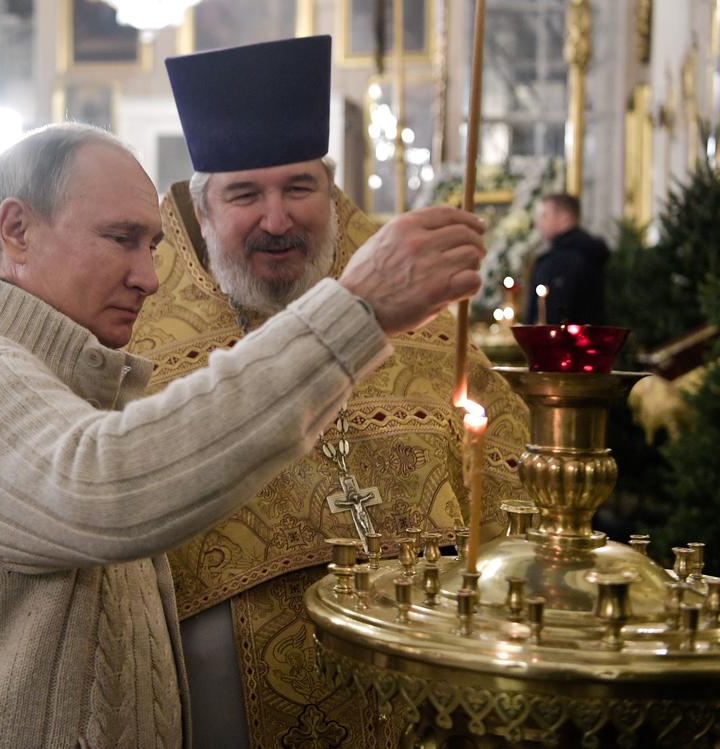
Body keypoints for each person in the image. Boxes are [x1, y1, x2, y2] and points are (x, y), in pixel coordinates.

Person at [0, 121, 489, 747]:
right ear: (17, 230)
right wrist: (355, 310)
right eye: (121, 240)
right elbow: (109, 488)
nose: (149, 276)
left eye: (152, 245)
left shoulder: (55, 382)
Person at [124, 36, 530, 746]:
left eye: (299, 188)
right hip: (222, 689)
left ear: (331, 189)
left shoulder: (415, 298)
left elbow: (507, 472)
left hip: (419, 675)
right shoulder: (140, 331)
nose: (277, 220)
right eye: (246, 194)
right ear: (203, 205)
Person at [525, 192, 609, 325]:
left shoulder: (561, 262)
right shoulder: (590, 253)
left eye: (544, 215)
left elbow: (554, 314)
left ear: (565, 218)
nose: (538, 222)